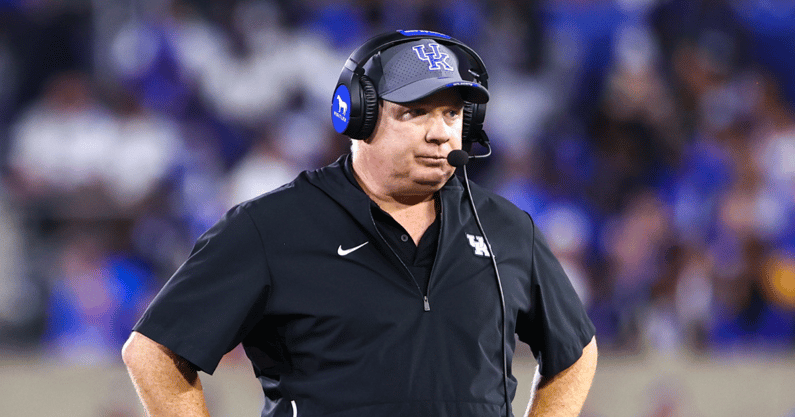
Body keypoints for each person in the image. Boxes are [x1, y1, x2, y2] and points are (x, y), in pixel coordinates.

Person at [122, 30, 597, 417]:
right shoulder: (272, 227)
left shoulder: (509, 229)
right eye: (415, 112)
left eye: (453, 113)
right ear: (358, 116)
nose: (440, 132)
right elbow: (154, 352)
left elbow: (575, 352)